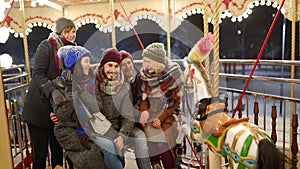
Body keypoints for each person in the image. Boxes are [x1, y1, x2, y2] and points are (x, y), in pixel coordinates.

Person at [22, 17, 76, 169]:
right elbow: (38, 74)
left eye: (73, 31)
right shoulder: (46, 46)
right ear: (60, 32)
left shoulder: (72, 50)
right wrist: (52, 90)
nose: (71, 35)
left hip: (57, 108)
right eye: (67, 31)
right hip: (39, 107)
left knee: (58, 150)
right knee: (41, 153)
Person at [50, 45, 105, 169]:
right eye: (86, 61)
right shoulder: (58, 85)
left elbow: (98, 107)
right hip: (68, 131)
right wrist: (72, 92)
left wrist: (79, 90)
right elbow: (62, 115)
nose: (89, 65)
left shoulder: (91, 81)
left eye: (89, 62)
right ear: (76, 64)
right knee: (89, 158)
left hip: (89, 127)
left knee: (98, 154)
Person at [139, 43, 184, 169]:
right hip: (151, 112)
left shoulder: (173, 73)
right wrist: (144, 111)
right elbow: (143, 98)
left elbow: (175, 102)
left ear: (158, 62)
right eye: (145, 61)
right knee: (151, 137)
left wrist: (161, 117)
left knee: (161, 142)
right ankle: (156, 165)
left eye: (149, 61)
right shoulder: (145, 75)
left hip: (168, 112)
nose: (146, 65)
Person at [93, 48, 135, 169]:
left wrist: (122, 135)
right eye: (109, 65)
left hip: (116, 130)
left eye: (116, 66)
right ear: (103, 66)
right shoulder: (93, 83)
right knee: (109, 148)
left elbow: (128, 117)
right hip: (97, 130)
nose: (113, 69)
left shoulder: (124, 87)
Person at [120, 50, 151, 169]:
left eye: (129, 63)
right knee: (140, 137)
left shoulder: (141, 78)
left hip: (141, 119)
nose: (127, 67)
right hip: (128, 122)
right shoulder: (120, 84)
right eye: (123, 64)